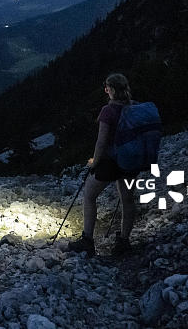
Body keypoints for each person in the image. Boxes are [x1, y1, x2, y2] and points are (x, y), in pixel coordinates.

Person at [68, 73, 138, 257]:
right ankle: (124, 241)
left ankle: (87, 241)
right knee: (127, 199)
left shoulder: (108, 110)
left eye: (107, 87)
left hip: (111, 163)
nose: (105, 90)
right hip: (131, 161)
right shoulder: (135, 107)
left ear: (112, 89)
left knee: (89, 195)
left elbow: (101, 142)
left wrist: (94, 162)